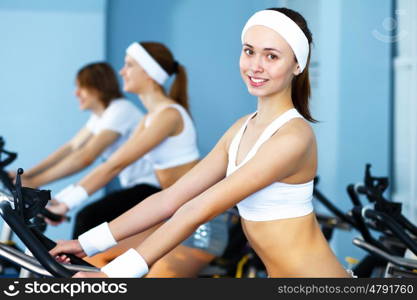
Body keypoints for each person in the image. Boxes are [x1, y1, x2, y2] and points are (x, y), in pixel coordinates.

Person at [51, 8, 351, 278]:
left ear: (297, 66)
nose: (256, 66)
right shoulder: (240, 129)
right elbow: (171, 198)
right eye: (249, 51)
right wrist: (85, 243)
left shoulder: (293, 138)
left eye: (272, 56)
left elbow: (199, 208)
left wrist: (113, 276)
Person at [51, 42, 230, 277]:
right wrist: (59, 202)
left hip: (201, 225)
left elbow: (115, 165)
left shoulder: (170, 115)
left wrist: (65, 203)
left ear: (148, 71)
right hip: (171, 219)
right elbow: (111, 162)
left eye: (129, 65)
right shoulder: (149, 118)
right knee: (90, 262)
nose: (122, 71)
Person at [14, 62, 158, 218]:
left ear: (99, 87)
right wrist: (27, 175)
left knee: (87, 218)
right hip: (137, 186)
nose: (76, 94)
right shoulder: (100, 116)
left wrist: (34, 182)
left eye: (81, 87)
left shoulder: (121, 110)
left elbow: (86, 157)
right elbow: (72, 147)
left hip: (151, 186)